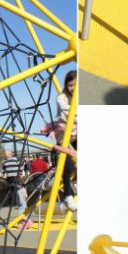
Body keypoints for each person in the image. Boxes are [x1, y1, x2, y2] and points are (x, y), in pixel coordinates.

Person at [56, 70, 77, 212]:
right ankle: (68, 196)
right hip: (64, 137)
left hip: (77, 135)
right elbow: (67, 111)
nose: (73, 88)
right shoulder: (62, 97)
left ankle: (75, 184)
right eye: (70, 86)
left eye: (76, 85)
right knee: (67, 166)